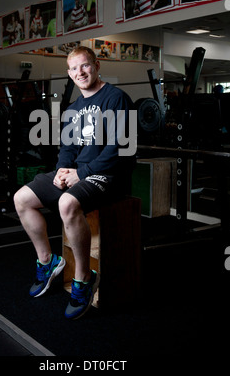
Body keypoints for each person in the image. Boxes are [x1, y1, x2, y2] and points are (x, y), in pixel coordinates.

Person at [14, 46, 135, 320]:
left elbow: (121, 149)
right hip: (81, 172)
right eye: (74, 68)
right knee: (22, 198)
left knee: (67, 203)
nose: (80, 72)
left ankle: (83, 278)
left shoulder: (117, 99)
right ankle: (48, 262)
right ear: (69, 73)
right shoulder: (73, 108)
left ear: (97, 65)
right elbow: (67, 149)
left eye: (85, 66)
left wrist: (82, 173)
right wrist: (60, 170)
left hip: (110, 175)